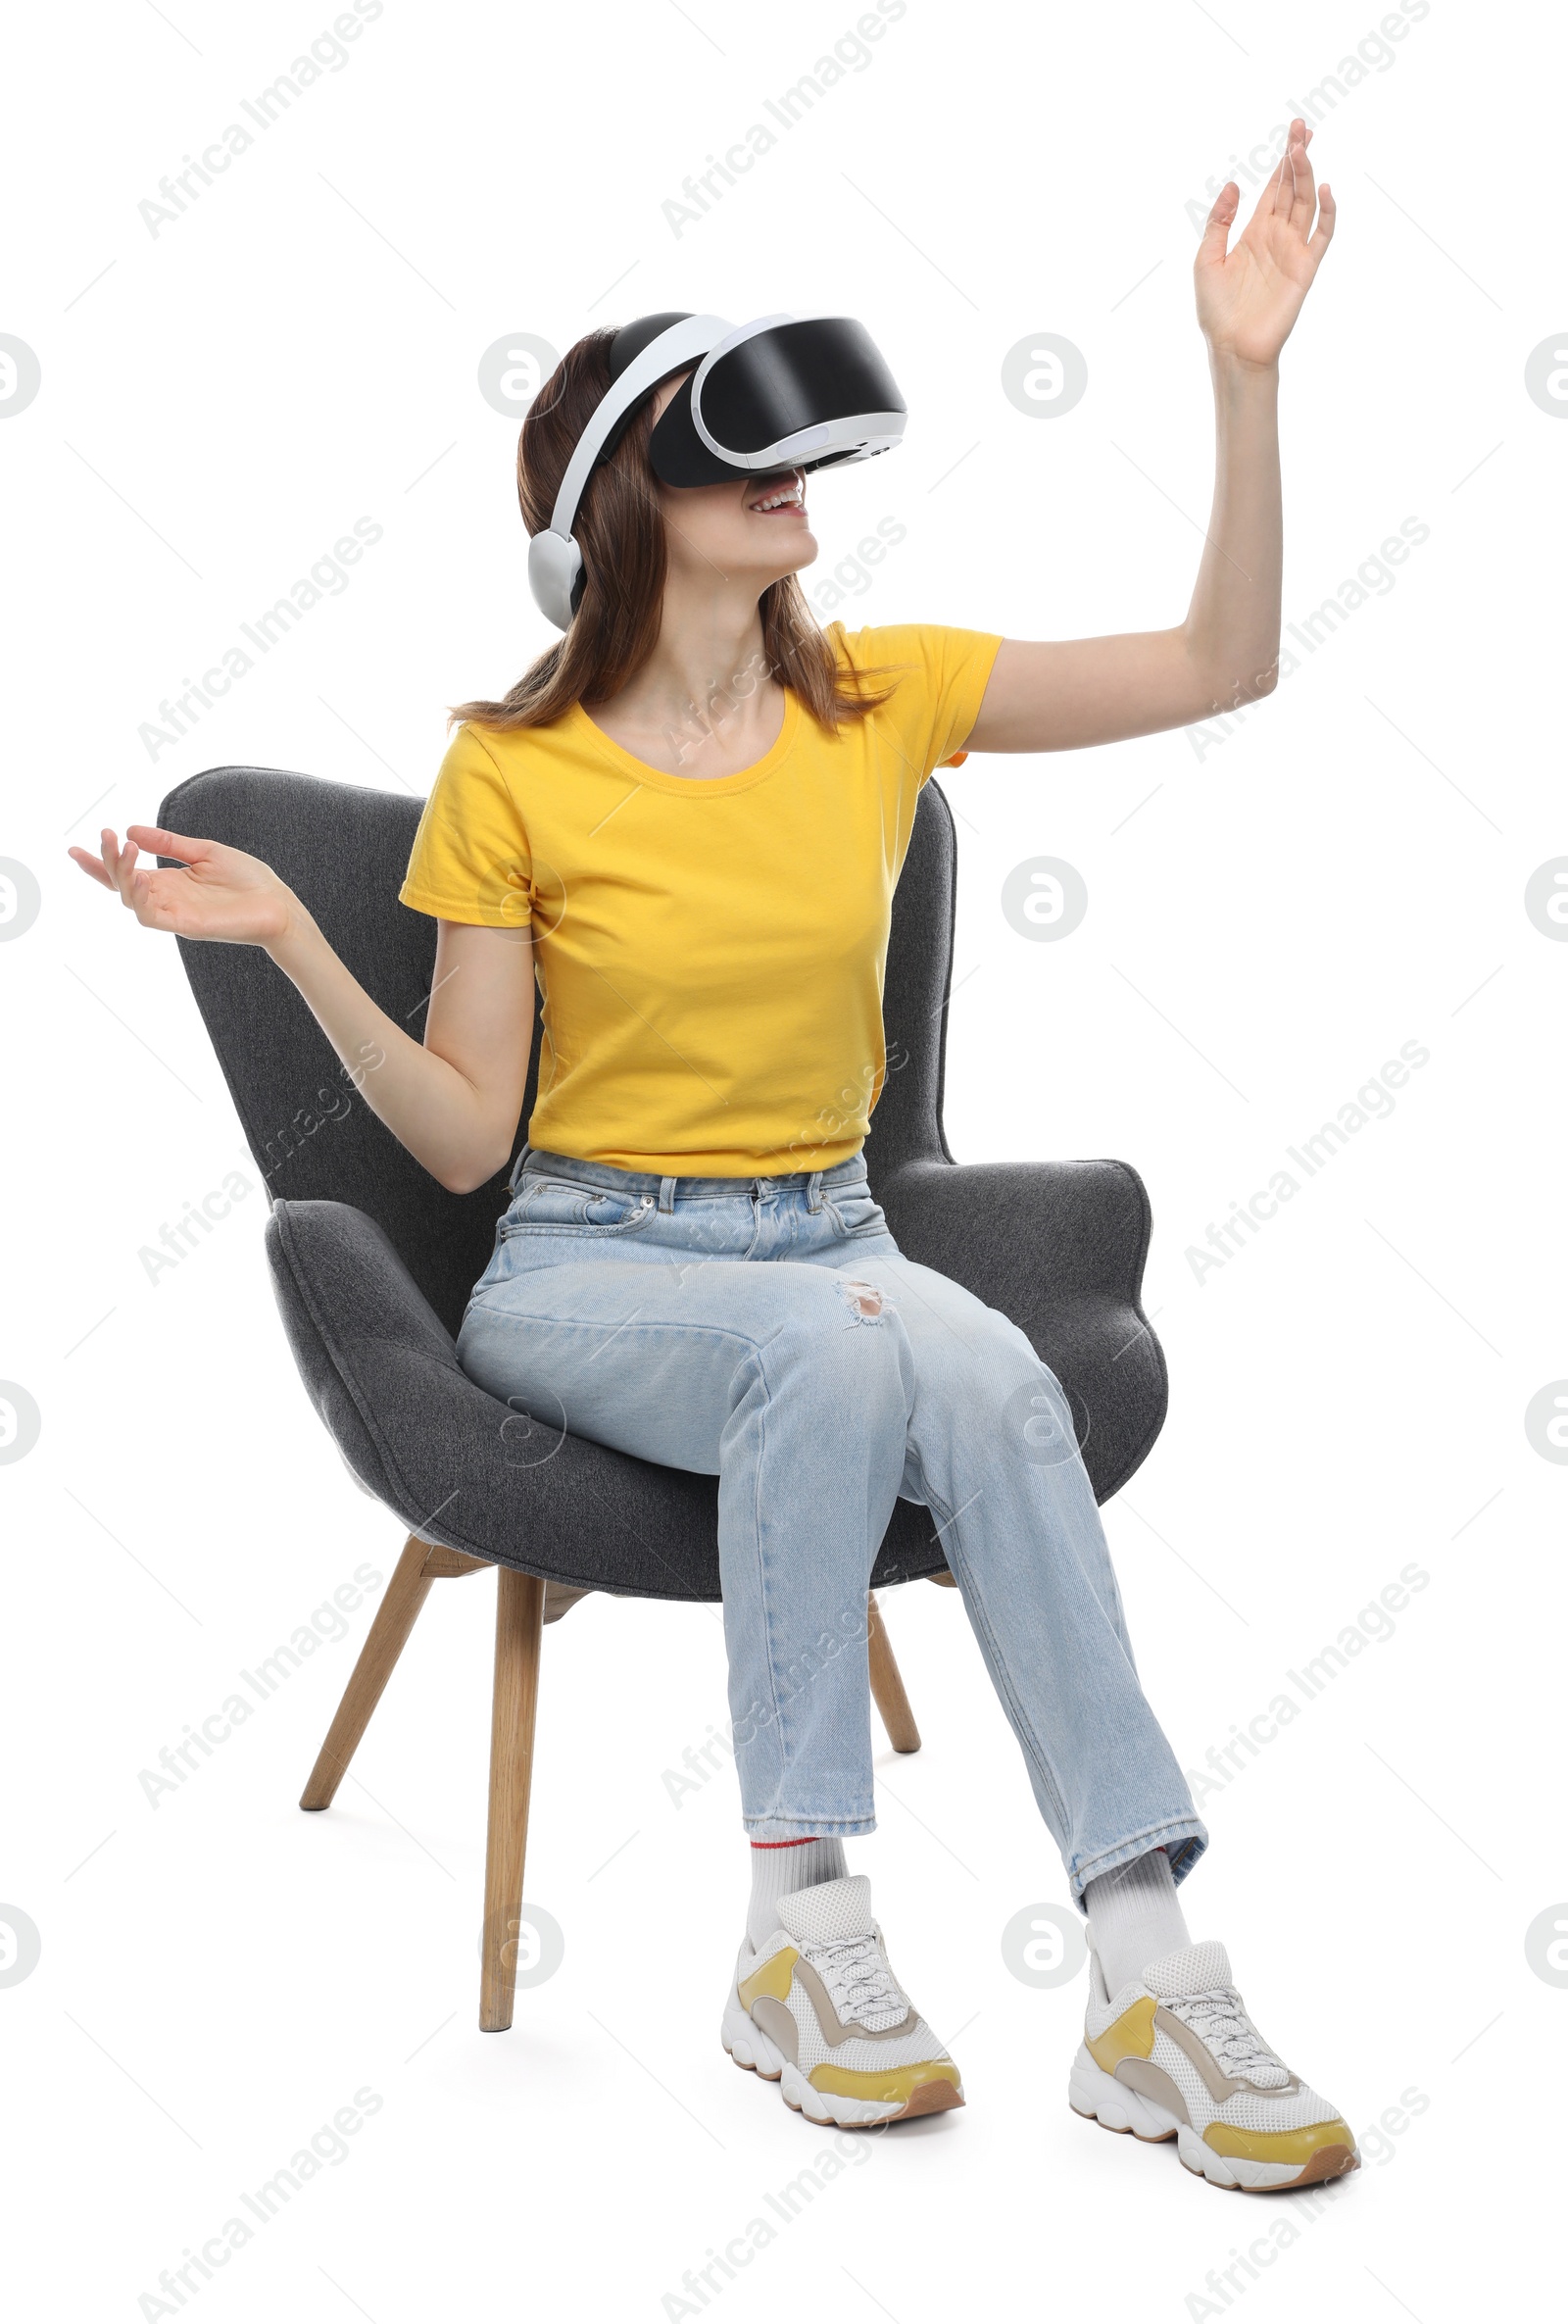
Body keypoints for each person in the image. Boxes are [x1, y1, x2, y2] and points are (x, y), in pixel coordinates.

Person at [73, 124, 1353, 2186]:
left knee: (999, 1376)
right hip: (590, 1265)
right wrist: (305, 939)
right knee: (848, 1354)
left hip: (827, 1235)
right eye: (728, 447)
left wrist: (1242, 377)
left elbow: (1223, 664)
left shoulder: (881, 701)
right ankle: (799, 1924)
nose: (794, 482)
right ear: (621, 509)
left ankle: (1142, 1962)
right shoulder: (512, 775)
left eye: (797, 455)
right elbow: (468, 1131)